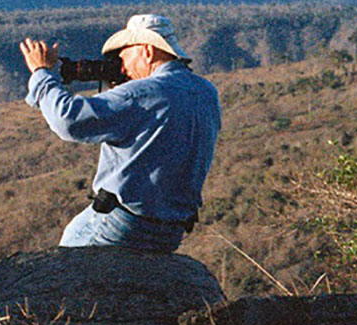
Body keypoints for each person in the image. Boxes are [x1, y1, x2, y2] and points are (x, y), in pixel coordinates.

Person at [19, 14, 220, 253]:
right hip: (171, 232)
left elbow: (68, 120)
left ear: (147, 51)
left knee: (60, 272)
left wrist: (42, 74)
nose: (121, 65)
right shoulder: (207, 91)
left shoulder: (142, 94)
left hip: (123, 225)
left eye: (123, 54)